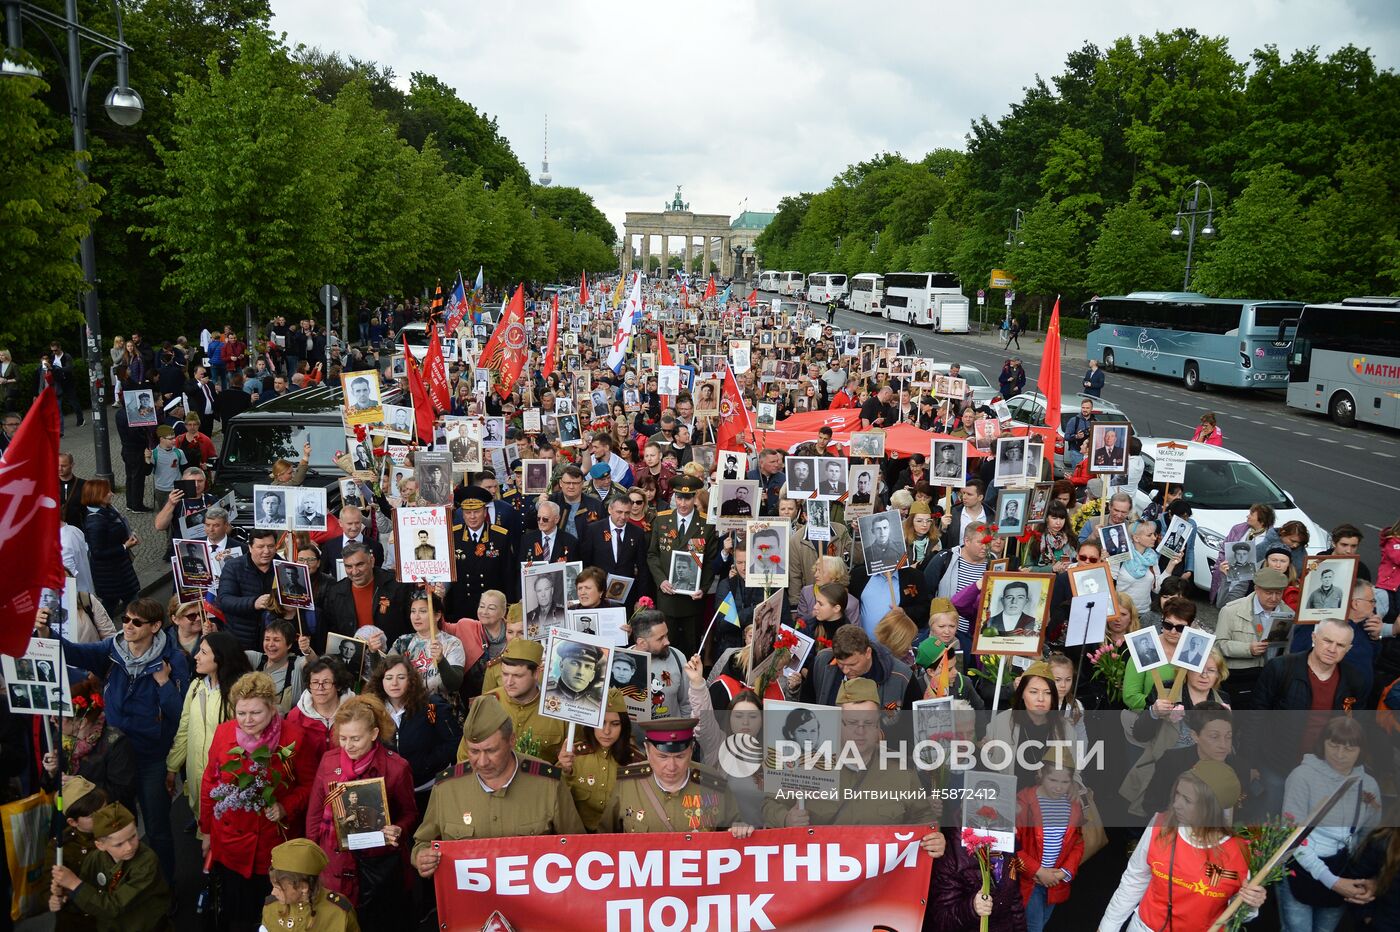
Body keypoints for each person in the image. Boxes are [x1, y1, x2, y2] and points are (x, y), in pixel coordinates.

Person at [45, 597, 191, 882]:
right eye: (125, 619)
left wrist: (163, 683)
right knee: (116, 827)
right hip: (114, 755)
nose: (128, 626)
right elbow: (71, 652)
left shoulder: (172, 660)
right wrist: (47, 632)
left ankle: (164, 887)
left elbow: (180, 712)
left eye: (136, 622)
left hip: (151, 757)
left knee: (157, 828)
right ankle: (123, 885)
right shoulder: (112, 649)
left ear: (155, 626)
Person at [411, 695, 584, 880]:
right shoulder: (447, 787)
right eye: (474, 751)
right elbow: (422, 842)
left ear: (512, 740)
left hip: (535, 904)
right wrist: (422, 857)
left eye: (491, 750)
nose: (482, 762)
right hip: (473, 903)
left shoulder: (548, 784)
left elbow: (579, 847)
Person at [199, 672, 317, 929]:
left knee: (272, 912)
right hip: (231, 841)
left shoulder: (294, 738)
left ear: (272, 709)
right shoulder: (223, 733)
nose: (247, 721)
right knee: (236, 912)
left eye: (255, 713)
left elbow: (310, 786)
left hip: (273, 843)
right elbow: (210, 783)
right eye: (241, 713)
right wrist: (206, 831)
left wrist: (286, 807)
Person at [1098, 768, 1266, 931]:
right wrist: (1107, 927)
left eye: (1187, 800)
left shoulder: (1238, 851)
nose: (1176, 804)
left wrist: (1250, 904)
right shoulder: (1161, 825)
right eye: (1177, 794)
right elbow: (1134, 880)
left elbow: (1238, 913)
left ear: (1211, 807)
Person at [305, 695, 416, 927]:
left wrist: (399, 829)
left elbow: (410, 813)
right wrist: (311, 858)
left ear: (374, 734)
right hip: (333, 863)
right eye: (343, 738)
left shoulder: (396, 768)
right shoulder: (328, 761)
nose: (348, 745)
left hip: (377, 867)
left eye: (356, 738)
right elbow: (315, 813)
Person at [1276, 715, 1382, 930]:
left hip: (1341, 868)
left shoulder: (1369, 784)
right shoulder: (1302, 776)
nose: (1340, 755)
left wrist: (1364, 879)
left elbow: (1368, 838)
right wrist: (1332, 880)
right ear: (1322, 743)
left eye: (1350, 749)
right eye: (1333, 745)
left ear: (1361, 751)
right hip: (1301, 866)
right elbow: (1293, 837)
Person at [166, 632, 252, 831]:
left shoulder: (239, 694)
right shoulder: (196, 686)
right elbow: (184, 729)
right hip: (197, 777)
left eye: (203, 652)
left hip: (226, 781)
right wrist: (172, 766)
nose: (196, 656)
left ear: (220, 658)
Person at [48, 803, 171, 932]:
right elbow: (87, 892)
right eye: (119, 844)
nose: (129, 847)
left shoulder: (146, 862)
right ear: (100, 845)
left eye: (133, 836)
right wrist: (65, 896)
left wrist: (74, 884)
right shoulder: (94, 859)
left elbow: (114, 906)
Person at [367, 655, 460, 815]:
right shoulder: (372, 709)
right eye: (388, 678)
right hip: (391, 793)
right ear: (380, 681)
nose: (394, 683)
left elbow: (453, 742)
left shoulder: (431, 706)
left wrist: (426, 763)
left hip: (429, 789)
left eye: (401, 677)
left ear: (411, 679)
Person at [465, 638, 568, 766]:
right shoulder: (486, 704)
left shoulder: (561, 709)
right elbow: (465, 756)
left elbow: (575, 760)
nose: (508, 682)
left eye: (517, 676)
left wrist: (562, 766)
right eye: (505, 674)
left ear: (536, 673)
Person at [261, 839, 360, 932]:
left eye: (278, 888)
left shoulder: (339, 911)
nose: (273, 892)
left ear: (303, 887)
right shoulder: (271, 907)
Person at [387, 590, 465, 699]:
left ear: (437, 615)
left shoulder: (452, 643)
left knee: (431, 713)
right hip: (408, 706)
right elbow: (385, 674)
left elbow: (454, 684)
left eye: (423, 611)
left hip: (440, 707)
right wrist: (373, 653)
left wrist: (441, 660)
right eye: (413, 611)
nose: (416, 617)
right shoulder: (402, 642)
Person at [80, 480, 140, 621]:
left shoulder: (108, 510)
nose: (111, 494)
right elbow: (97, 552)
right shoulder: (96, 522)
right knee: (125, 603)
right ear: (97, 495)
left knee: (115, 603)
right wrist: (125, 546)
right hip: (110, 573)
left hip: (119, 569)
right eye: (107, 492)